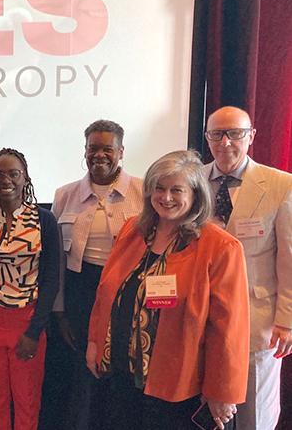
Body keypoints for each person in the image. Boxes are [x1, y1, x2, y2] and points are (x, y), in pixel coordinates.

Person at [86, 150, 250, 430]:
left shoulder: (220, 247)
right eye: (159, 189)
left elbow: (229, 328)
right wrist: (95, 343)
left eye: (177, 190)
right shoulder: (133, 231)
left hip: (179, 387)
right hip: (123, 376)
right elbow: (106, 294)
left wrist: (223, 392)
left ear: (196, 194)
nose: (166, 197)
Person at [203, 106, 292, 429]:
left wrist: (287, 320)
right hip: (202, 317)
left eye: (235, 133)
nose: (225, 142)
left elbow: (289, 258)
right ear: (207, 138)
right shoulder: (192, 183)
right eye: (217, 134)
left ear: (251, 136)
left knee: (254, 415)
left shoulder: (281, 185)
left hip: (259, 322)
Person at [50, 119, 143, 430]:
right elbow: (57, 262)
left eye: (107, 148)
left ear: (121, 151)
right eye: (93, 148)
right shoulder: (65, 195)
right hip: (80, 292)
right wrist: (60, 311)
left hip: (126, 293)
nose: (99, 155)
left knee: (121, 369)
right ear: (85, 151)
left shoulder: (143, 192)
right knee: (82, 374)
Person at [0, 148, 60, 430]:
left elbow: (52, 279)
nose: (6, 179)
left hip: (27, 321)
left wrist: (34, 331)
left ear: (25, 178)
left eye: (13, 173)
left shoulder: (43, 220)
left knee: (27, 399)